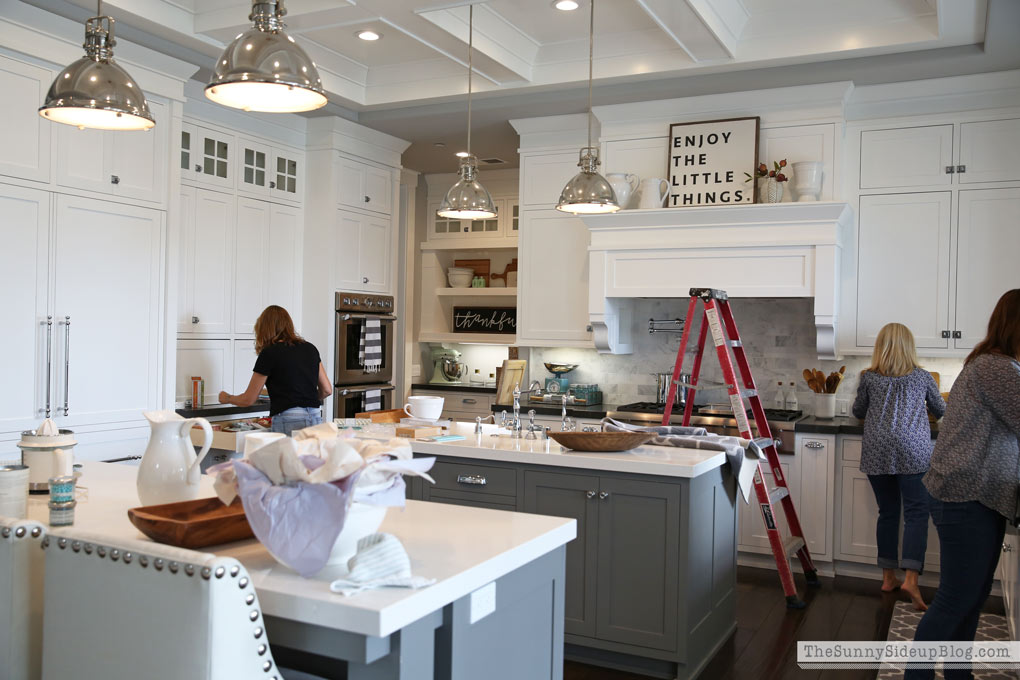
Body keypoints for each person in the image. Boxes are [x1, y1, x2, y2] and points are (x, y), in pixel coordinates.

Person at [907, 290, 1020, 680]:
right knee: (957, 599)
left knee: (970, 597)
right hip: (966, 495)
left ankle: (959, 674)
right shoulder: (997, 368)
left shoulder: (997, 365)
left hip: (978, 496)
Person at [852, 322, 945, 611]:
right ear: (910, 347)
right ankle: (912, 579)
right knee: (916, 514)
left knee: (888, 513)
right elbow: (941, 410)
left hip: (878, 449)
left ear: (880, 347)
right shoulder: (923, 377)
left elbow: (858, 411)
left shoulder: (869, 378)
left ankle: (888, 577)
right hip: (913, 450)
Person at [219, 305, 332, 436]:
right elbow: (327, 390)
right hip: (315, 416)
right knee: (308, 456)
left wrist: (227, 398)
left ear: (263, 329)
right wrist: (305, 399)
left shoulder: (269, 353)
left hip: (288, 419)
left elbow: (248, 399)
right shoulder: (310, 348)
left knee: (286, 457)